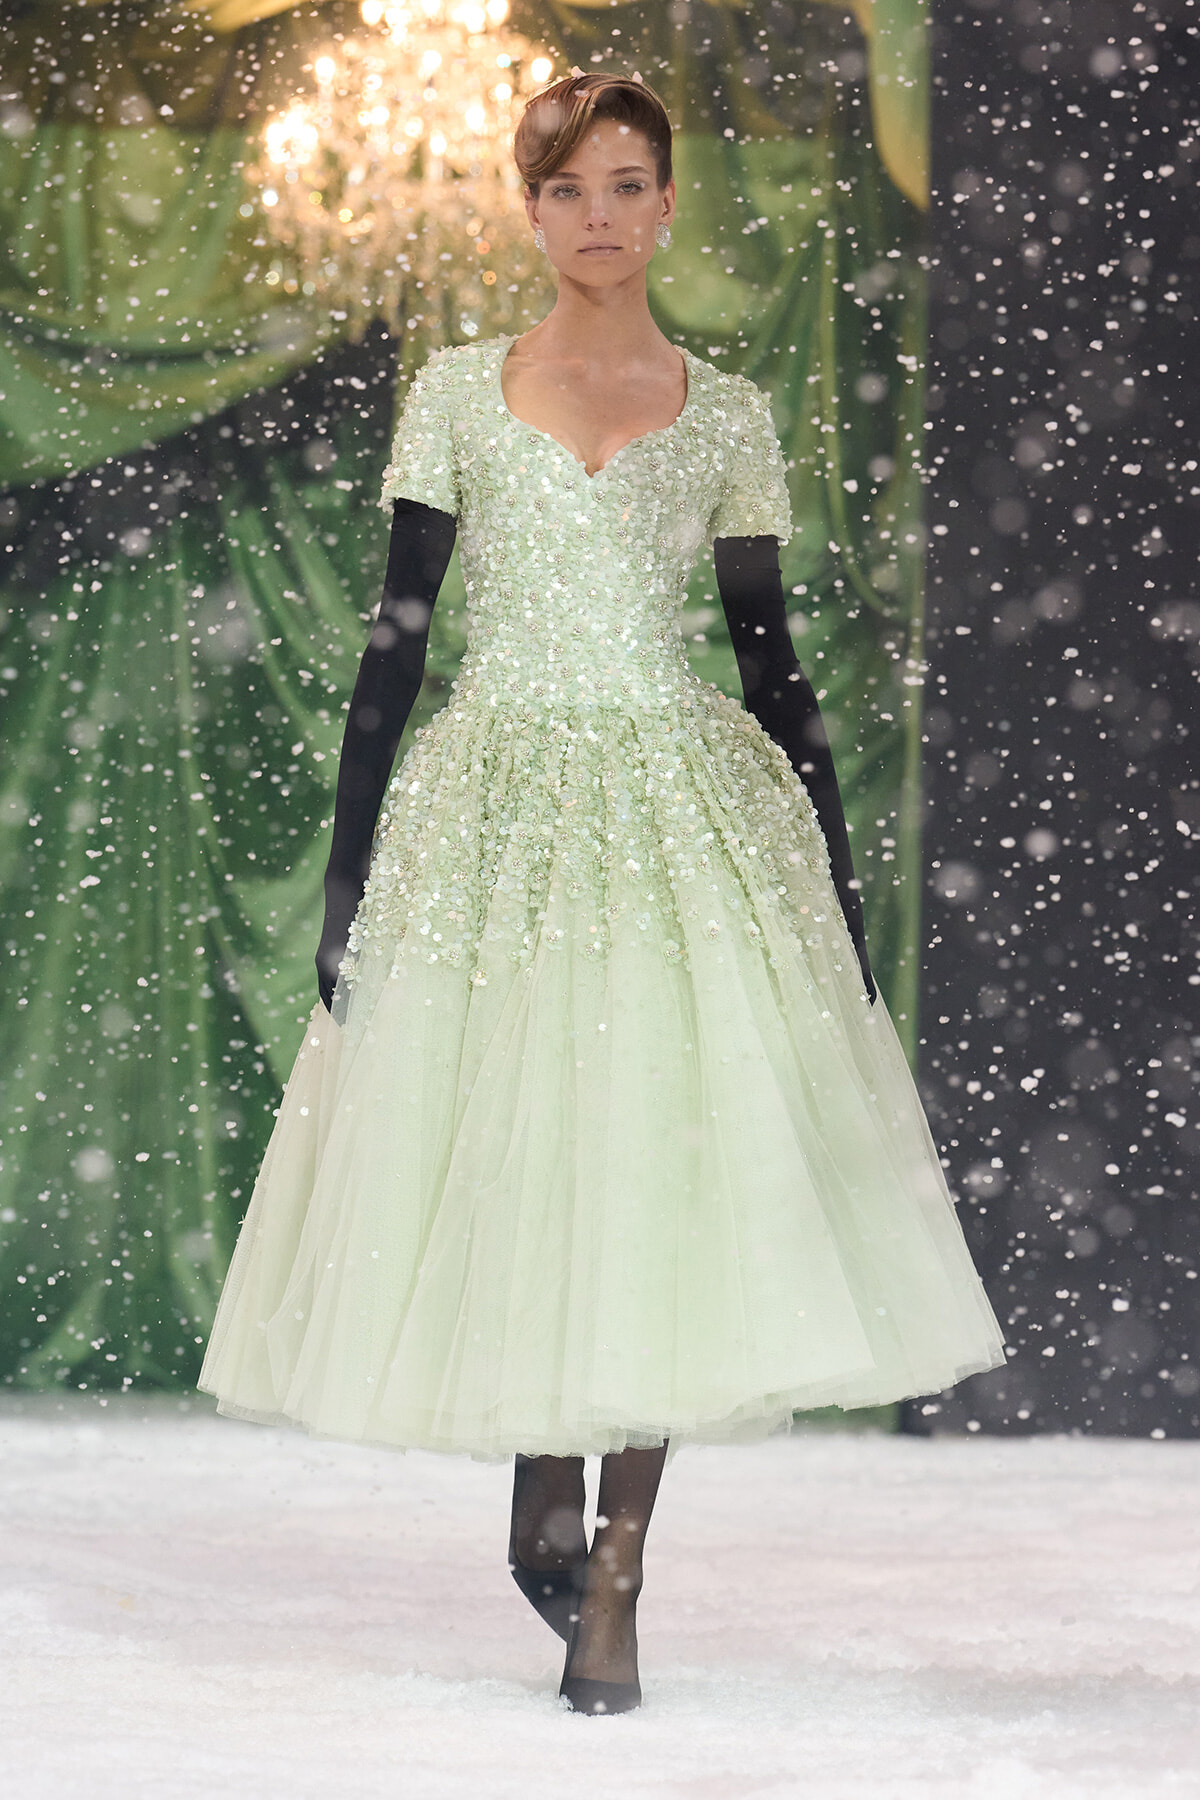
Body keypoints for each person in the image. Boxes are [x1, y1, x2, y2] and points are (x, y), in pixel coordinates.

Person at [199, 72, 1006, 1717]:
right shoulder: (456, 393)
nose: (598, 217)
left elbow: (772, 661)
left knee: (656, 1155)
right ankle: (541, 1488)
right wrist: (348, 871)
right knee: (526, 1141)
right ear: (528, 209)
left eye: (626, 184)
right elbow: (396, 643)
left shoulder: (727, 414)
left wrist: (834, 870)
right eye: (567, 188)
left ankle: (620, 1561)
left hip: (674, 817)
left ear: (668, 203)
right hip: (492, 815)